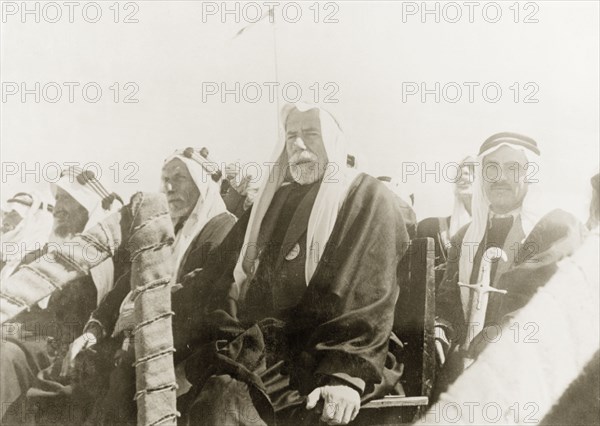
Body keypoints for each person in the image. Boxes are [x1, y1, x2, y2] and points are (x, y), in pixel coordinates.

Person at [175, 103, 410, 425]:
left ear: (335, 141)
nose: (298, 144)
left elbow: (370, 293)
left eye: (311, 134)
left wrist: (345, 376)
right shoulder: (272, 202)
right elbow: (221, 273)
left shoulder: (367, 196)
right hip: (263, 346)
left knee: (226, 401)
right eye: (291, 136)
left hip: (333, 351)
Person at [66, 147, 237, 425]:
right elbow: (127, 284)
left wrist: (136, 325)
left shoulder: (223, 229)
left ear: (202, 183)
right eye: (165, 179)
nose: (168, 188)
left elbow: (196, 298)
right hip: (134, 343)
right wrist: (95, 329)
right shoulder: (166, 229)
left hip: (180, 353)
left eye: (179, 178)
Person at [434, 133, 586, 395]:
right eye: (491, 168)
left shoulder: (557, 228)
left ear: (532, 175)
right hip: (464, 375)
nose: (500, 178)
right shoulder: (465, 237)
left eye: (513, 168)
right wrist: (439, 329)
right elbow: (447, 303)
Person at [1, 167, 124, 423]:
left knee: (5, 355)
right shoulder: (39, 254)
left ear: (86, 208)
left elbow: (67, 324)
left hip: (56, 346)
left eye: (67, 199)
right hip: (25, 337)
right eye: (57, 199)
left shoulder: (95, 264)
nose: (58, 207)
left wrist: (10, 332)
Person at [417, 157, 475, 287]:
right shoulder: (431, 228)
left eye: (473, 170)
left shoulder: (496, 229)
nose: (463, 174)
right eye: (460, 172)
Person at [0, 192, 54, 281]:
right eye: (6, 213)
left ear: (33, 221)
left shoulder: (41, 259)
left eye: (14, 214)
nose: (5, 220)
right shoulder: (5, 253)